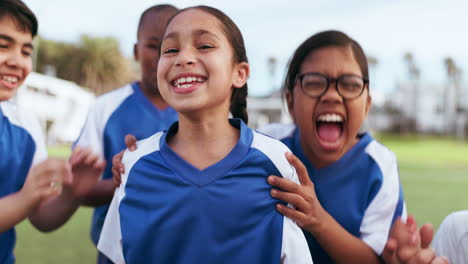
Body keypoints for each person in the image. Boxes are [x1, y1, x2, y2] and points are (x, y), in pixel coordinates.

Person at [98, 6, 313, 264]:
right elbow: (111, 256)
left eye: (204, 46)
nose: (183, 58)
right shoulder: (133, 164)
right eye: (170, 50)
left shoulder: (276, 162)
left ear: (240, 73)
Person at [262, 30, 446, 264]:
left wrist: (317, 219)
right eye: (315, 83)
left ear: (367, 103)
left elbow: (374, 259)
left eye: (349, 84)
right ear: (290, 101)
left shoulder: (379, 165)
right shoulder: (267, 146)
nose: (332, 96)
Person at [73, 4, 179, 263]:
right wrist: (127, 180)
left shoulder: (202, 110)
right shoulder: (105, 108)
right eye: (154, 46)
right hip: (117, 253)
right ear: (136, 50)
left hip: (183, 248)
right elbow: (81, 189)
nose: (162, 56)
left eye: (172, 48)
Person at [0, 1, 104, 263]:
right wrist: (23, 200)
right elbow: (25, 204)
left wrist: (71, 194)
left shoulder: (24, 125)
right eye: (3, 46)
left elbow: (42, 218)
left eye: (26, 51)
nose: (17, 61)